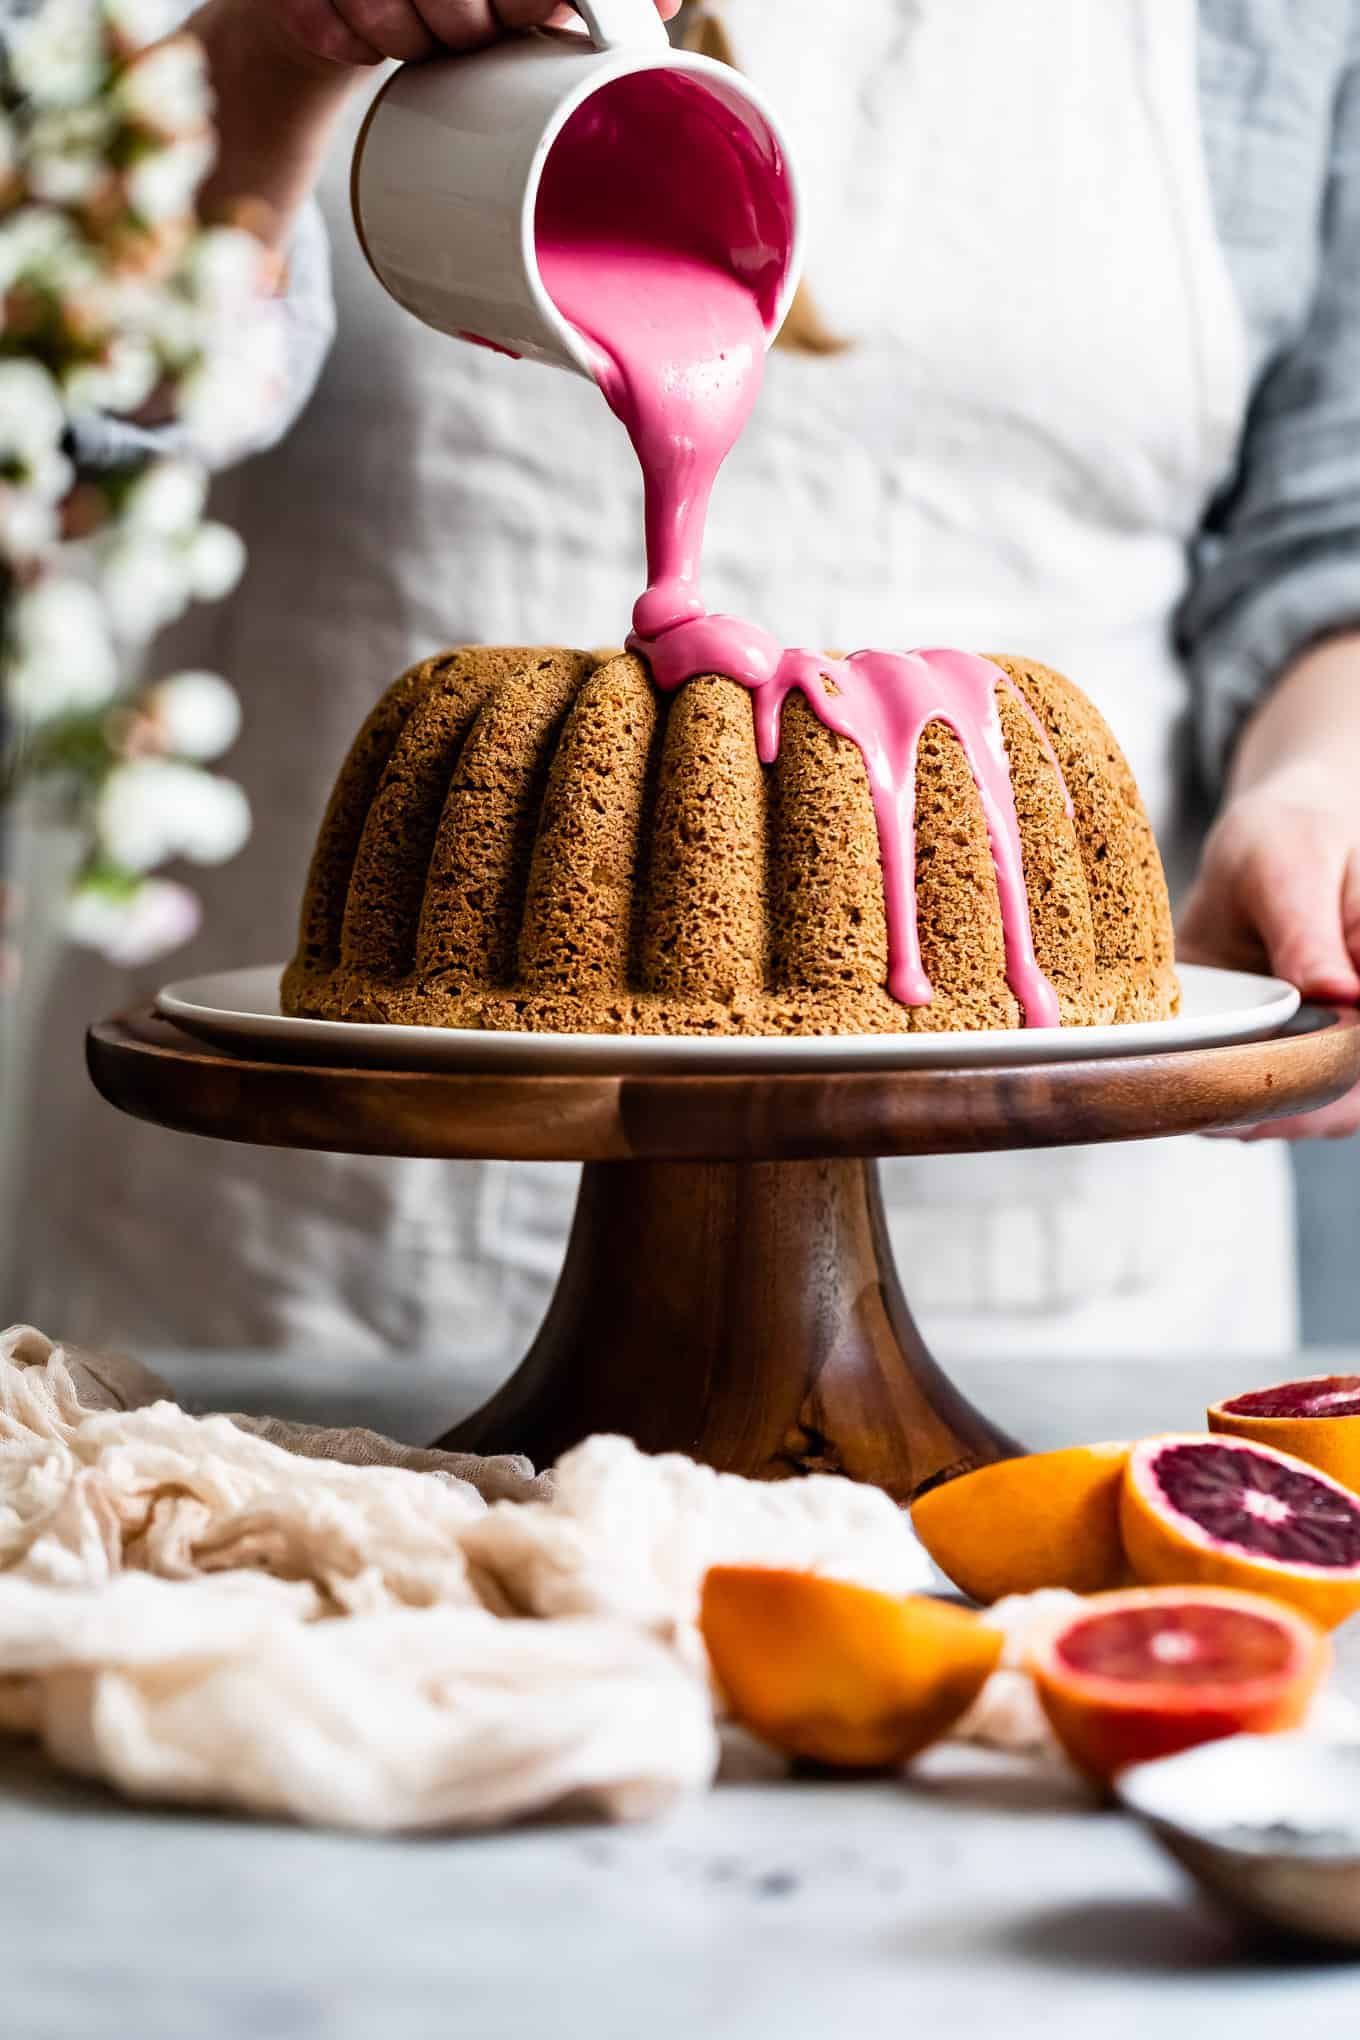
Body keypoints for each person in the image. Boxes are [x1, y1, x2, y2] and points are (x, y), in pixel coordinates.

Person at [15, 0, 1360, 1379]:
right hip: (303, 1299)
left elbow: (1326, 540)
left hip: (1065, 1311)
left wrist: (1323, 791)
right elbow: (45, 410)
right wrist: (267, 50)